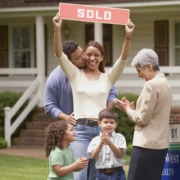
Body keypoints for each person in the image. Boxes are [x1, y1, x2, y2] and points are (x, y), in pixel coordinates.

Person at [53, 12, 135, 180]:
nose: (92, 58)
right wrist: (57, 29)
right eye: (88, 54)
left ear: (102, 57)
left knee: (95, 176)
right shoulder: (74, 74)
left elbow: (123, 58)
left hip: (101, 131)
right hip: (81, 131)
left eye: (96, 54)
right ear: (84, 55)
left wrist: (128, 36)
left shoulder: (108, 77)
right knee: (80, 176)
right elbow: (59, 54)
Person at [114, 48, 172, 180]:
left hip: (145, 146)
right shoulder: (166, 83)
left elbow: (142, 119)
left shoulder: (151, 85)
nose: (139, 75)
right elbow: (155, 113)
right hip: (160, 146)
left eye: (139, 70)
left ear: (149, 66)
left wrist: (127, 109)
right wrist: (135, 110)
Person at [44, 40, 118, 123]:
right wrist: (66, 117)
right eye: (78, 58)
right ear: (69, 62)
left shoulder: (93, 67)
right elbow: (49, 106)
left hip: (97, 124)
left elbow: (112, 92)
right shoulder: (55, 78)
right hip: (70, 127)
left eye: (83, 53)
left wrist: (106, 113)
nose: (84, 57)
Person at [87, 109, 126, 180]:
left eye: (111, 122)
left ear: (116, 124)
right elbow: (94, 156)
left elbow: (119, 154)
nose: (109, 124)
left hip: (117, 173)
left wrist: (110, 143)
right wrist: (100, 144)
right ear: (99, 123)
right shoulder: (95, 140)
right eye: (105, 122)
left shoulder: (120, 137)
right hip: (101, 174)